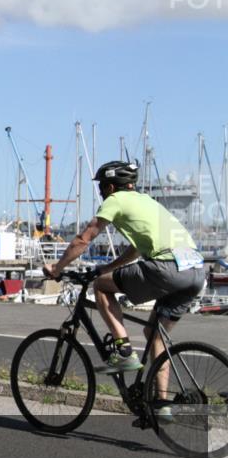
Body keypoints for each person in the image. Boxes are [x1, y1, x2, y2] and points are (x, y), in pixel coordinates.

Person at [43, 160, 205, 420]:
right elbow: (136, 249)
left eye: (101, 189)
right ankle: (162, 403)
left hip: (168, 268)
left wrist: (57, 267)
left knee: (101, 286)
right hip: (195, 272)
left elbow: (84, 238)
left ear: (109, 187)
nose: (101, 194)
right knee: (155, 336)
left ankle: (124, 351)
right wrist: (107, 265)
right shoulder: (147, 202)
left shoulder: (115, 200)